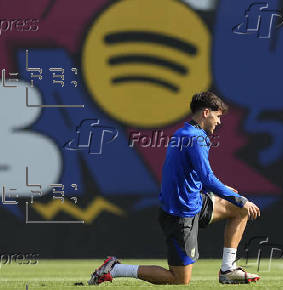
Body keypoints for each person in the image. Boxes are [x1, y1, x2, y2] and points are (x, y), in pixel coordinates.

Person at [88, 91, 261, 285]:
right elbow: (207, 178)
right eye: (218, 115)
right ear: (206, 112)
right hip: (181, 212)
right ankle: (115, 269)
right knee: (179, 279)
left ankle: (228, 269)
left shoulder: (186, 133)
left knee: (239, 211)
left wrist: (225, 194)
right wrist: (241, 199)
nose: (219, 121)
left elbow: (191, 175)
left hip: (194, 201)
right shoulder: (194, 138)